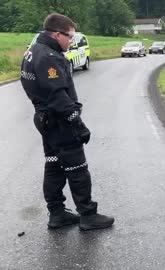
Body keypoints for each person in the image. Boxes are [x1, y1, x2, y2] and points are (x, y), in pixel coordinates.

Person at [20, 13, 114, 231]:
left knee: (54, 164)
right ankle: (88, 215)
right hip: (60, 120)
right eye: (70, 37)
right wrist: (77, 122)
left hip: (46, 120)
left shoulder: (33, 51)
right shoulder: (49, 56)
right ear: (56, 33)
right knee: (78, 168)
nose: (72, 42)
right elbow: (57, 95)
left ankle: (57, 213)